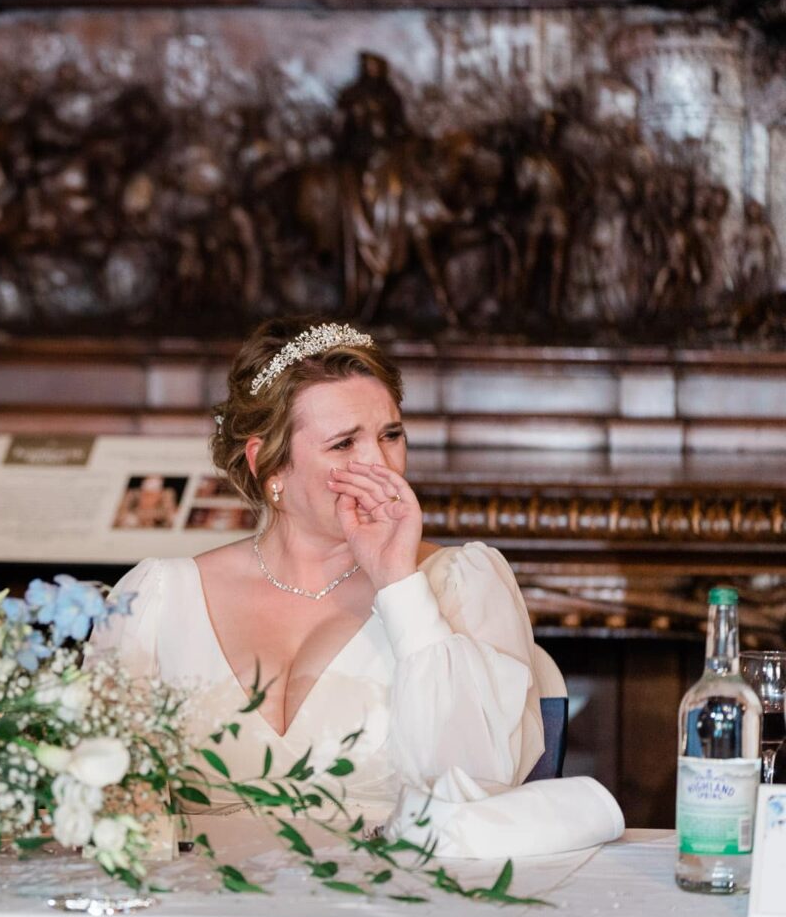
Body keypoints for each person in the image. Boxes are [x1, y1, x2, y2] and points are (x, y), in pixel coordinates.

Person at [92, 318, 562, 818]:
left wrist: (399, 584)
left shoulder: (463, 583)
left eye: (391, 435)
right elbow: (105, 798)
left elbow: (479, 788)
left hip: (397, 889)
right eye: (344, 444)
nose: (380, 466)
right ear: (268, 464)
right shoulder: (159, 599)